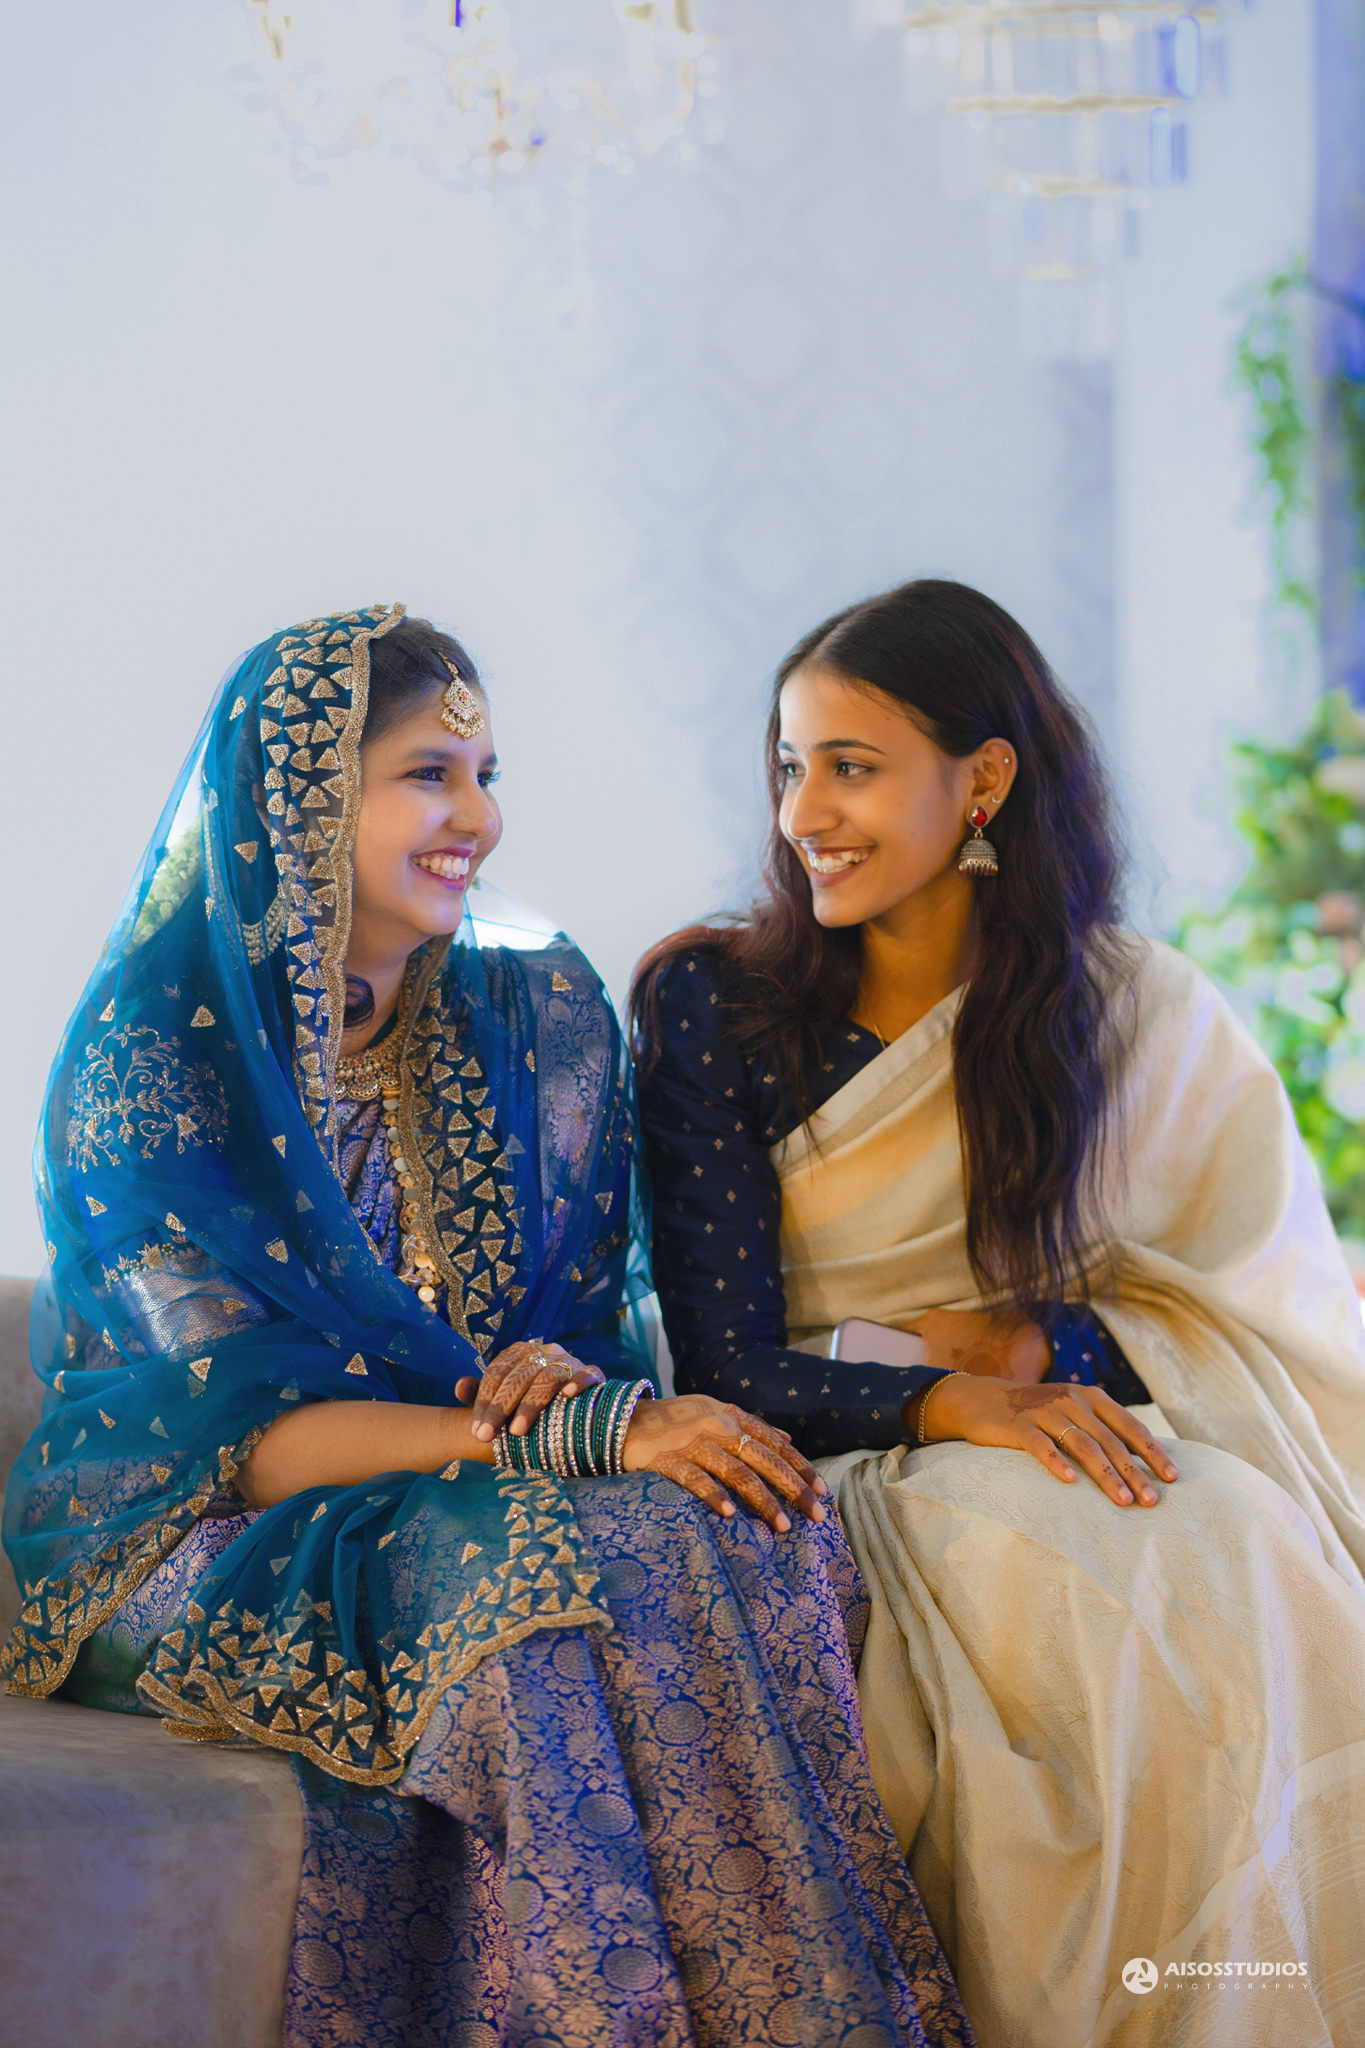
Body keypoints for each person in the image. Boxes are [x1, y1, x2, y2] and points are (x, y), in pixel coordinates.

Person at [2, 604, 974, 2048]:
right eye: (429, 775)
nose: (480, 818)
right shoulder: (159, 1052)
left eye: (486, 774)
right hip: (184, 1536)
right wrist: (549, 1433)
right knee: (532, 1594)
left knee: (742, 1525)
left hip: (470, 1479)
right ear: (301, 803)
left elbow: (583, 1328)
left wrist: (559, 1383)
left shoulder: (540, 1013)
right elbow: (230, 1441)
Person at [634, 579, 1365, 2048]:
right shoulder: (717, 1003)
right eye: (789, 765)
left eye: (850, 767)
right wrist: (949, 1394)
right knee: (1106, 1586)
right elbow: (722, 1363)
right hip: (846, 1452)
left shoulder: (1124, 1013)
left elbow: (1258, 1301)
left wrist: (1043, 1348)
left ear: (981, 781)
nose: (803, 814)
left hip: (1058, 1422)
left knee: (1238, 1534)